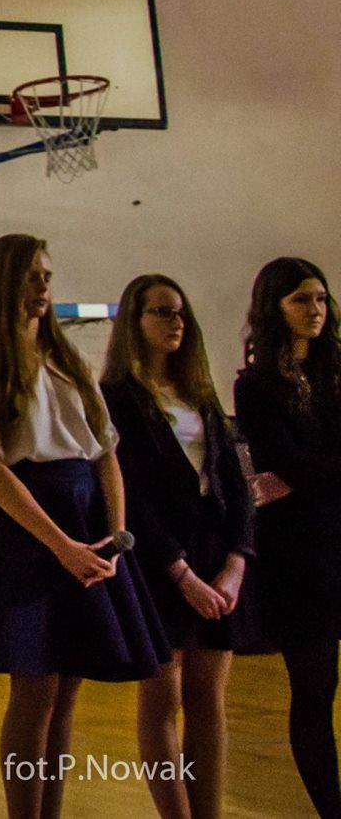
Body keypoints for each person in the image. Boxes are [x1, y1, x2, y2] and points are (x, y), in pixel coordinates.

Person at [0, 234, 166, 819]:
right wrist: (61, 546)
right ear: (4, 281)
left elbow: (106, 452)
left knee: (67, 688)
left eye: (48, 276)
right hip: (27, 528)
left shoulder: (70, 357)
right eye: (31, 275)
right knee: (34, 688)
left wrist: (115, 536)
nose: (42, 286)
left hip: (87, 518)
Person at [102, 275, 254, 819]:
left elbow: (237, 484)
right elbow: (132, 495)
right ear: (135, 321)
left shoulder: (201, 393)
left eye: (181, 313)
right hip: (157, 562)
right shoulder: (117, 398)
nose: (176, 323)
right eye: (162, 312)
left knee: (208, 700)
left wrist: (235, 563)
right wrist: (180, 572)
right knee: (162, 700)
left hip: (215, 556)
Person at [235, 257, 341, 818]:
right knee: (315, 690)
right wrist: (305, 473)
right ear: (274, 307)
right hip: (299, 558)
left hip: (333, 536)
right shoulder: (255, 385)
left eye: (321, 298)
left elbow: (297, 472)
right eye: (301, 299)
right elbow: (282, 460)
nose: (315, 310)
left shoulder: (337, 372)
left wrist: (303, 476)